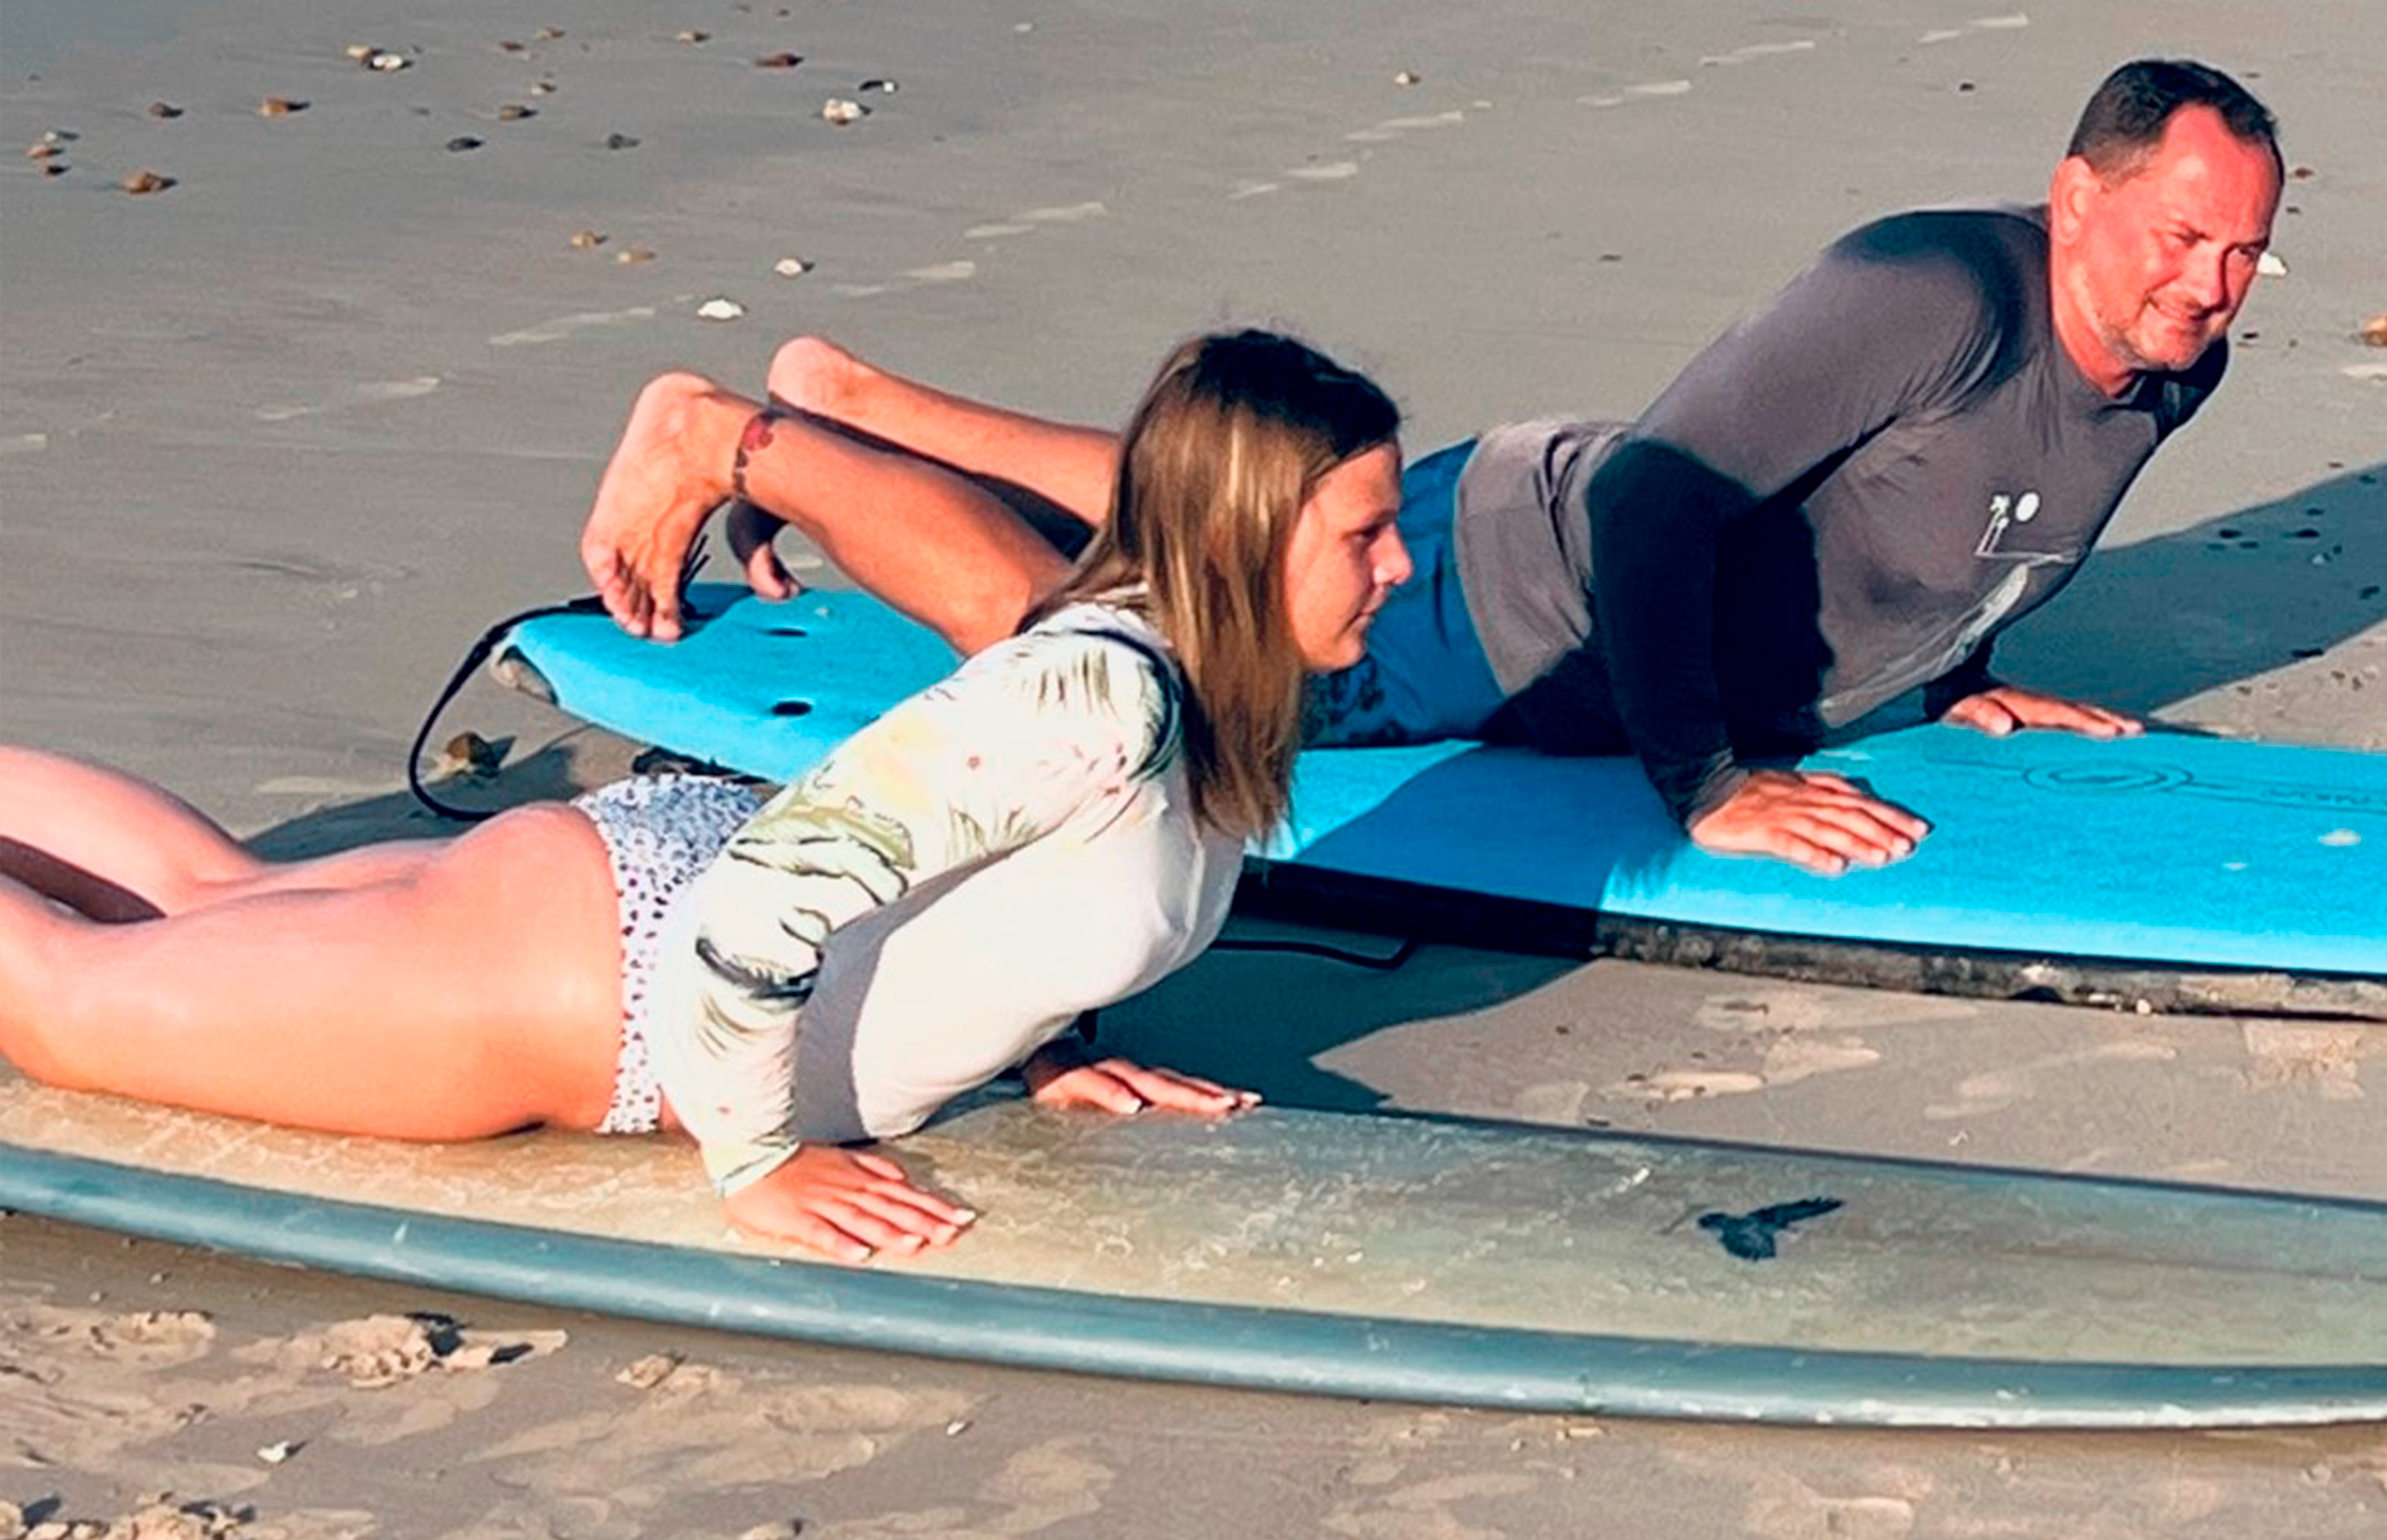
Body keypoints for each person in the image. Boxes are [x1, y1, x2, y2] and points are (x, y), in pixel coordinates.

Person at [575, 58, 2284, 876]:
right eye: (2179, 235)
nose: (2205, 284)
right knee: (1093, 675)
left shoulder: (2163, 360)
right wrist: (1704, 786)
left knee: (1223, 523)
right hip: (1504, 593)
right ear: (2075, 199)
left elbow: (1951, 510)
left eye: (2242, 256)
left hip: (1520, 590)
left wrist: (1951, 661)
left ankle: (860, 397)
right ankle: (745, 441)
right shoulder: (1926, 292)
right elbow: (1655, 501)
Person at [0, 331, 1412, 1263]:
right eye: (1368, 532)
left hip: (603, 917)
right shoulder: (1097, 697)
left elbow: (1022, 877)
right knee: (66, 1002)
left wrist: (1040, 1041)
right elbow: (774, 894)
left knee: (208, 895)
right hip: (573, 1006)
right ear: (1242, 536)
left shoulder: (1200, 682)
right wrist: (757, 1162)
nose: (1398, 566)